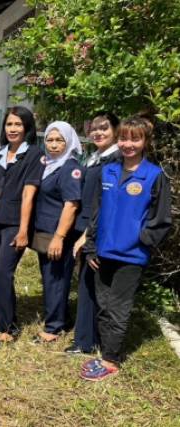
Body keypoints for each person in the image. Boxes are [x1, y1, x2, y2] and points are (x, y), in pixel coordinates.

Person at [80, 117, 172, 381]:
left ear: (145, 141)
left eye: (135, 139)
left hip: (132, 256)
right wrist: (90, 246)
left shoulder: (154, 176)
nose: (128, 144)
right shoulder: (108, 171)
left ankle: (111, 360)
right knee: (103, 305)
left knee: (118, 308)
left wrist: (141, 240)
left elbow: (161, 220)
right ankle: (105, 350)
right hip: (102, 253)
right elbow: (96, 211)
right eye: (123, 138)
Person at [0, 106, 44, 348]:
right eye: (9, 124)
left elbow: (29, 194)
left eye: (18, 124)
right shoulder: (0, 153)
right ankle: (3, 319)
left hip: (15, 224)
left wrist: (22, 230)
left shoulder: (34, 155)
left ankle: (8, 329)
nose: (13, 128)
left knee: (3, 271)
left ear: (27, 127)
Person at [67, 112, 120, 354]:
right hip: (85, 227)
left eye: (104, 128)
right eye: (94, 128)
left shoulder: (116, 160)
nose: (98, 132)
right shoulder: (95, 157)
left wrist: (87, 235)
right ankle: (87, 338)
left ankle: (87, 342)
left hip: (97, 231)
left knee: (91, 285)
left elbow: (107, 203)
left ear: (116, 131)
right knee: (86, 284)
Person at [32, 121, 84, 343]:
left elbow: (71, 205)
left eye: (59, 140)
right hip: (46, 232)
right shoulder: (51, 165)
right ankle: (62, 317)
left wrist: (59, 237)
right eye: (49, 140)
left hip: (58, 234)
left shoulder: (69, 168)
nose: (53, 145)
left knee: (56, 280)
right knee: (51, 278)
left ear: (69, 141)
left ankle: (53, 328)